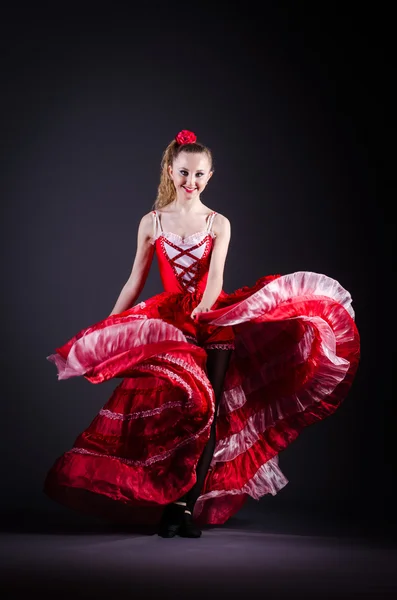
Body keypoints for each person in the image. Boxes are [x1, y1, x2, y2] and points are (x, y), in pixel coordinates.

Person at [44, 129, 361, 538]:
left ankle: (185, 508)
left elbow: (215, 281)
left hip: (212, 323)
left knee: (209, 412)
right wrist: (107, 327)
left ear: (210, 176)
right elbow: (133, 282)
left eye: (199, 174)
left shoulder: (219, 223)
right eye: (183, 173)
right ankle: (163, 496)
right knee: (176, 413)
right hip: (170, 322)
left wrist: (202, 315)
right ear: (170, 171)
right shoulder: (152, 222)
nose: (190, 182)